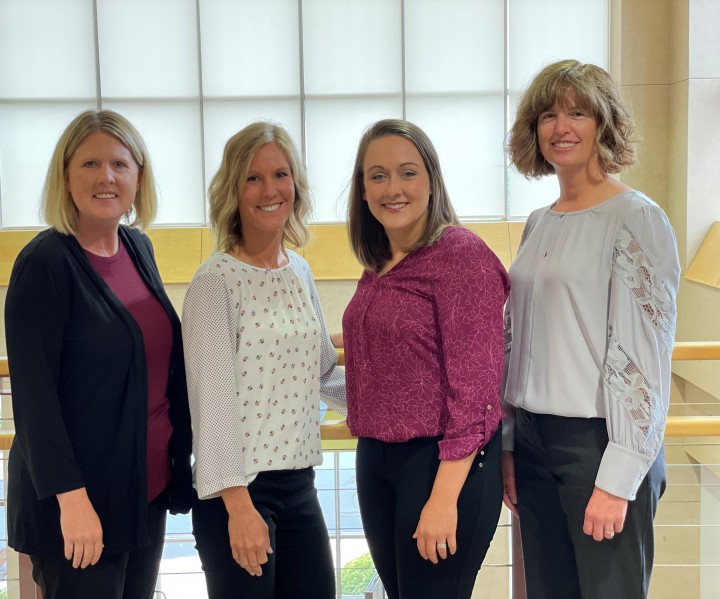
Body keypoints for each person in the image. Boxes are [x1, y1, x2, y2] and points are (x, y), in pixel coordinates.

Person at [502, 59, 681, 599]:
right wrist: (511, 441)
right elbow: (519, 342)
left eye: (578, 112)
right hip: (534, 441)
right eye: (549, 114)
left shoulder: (635, 217)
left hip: (599, 444)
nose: (562, 127)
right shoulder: (540, 221)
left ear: (604, 124)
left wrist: (619, 475)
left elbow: (645, 355)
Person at [4, 109, 193, 599]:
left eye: (119, 164)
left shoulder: (138, 248)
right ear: (65, 176)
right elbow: (34, 400)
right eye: (89, 164)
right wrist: (72, 500)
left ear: (138, 176)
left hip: (141, 491)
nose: (105, 177)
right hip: (79, 505)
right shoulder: (44, 264)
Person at [342, 119, 510, 599]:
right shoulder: (381, 262)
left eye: (407, 173)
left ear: (431, 180)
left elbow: (477, 389)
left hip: (443, 466)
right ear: (362, 190)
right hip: (377, 459)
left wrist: (442, 497)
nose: (392, 188)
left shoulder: (461, 256)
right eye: (377, 176)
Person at [182, 121, 346, 599]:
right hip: (239, 494)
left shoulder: (299, 270)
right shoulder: (214, 282)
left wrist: (388, 404)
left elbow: (321, 374)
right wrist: (238, 506)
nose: (269, 190)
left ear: (296, 184)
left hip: (300, 487)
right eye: (252, 178)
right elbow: (210, 407)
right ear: (232, 190)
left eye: (281, 175)